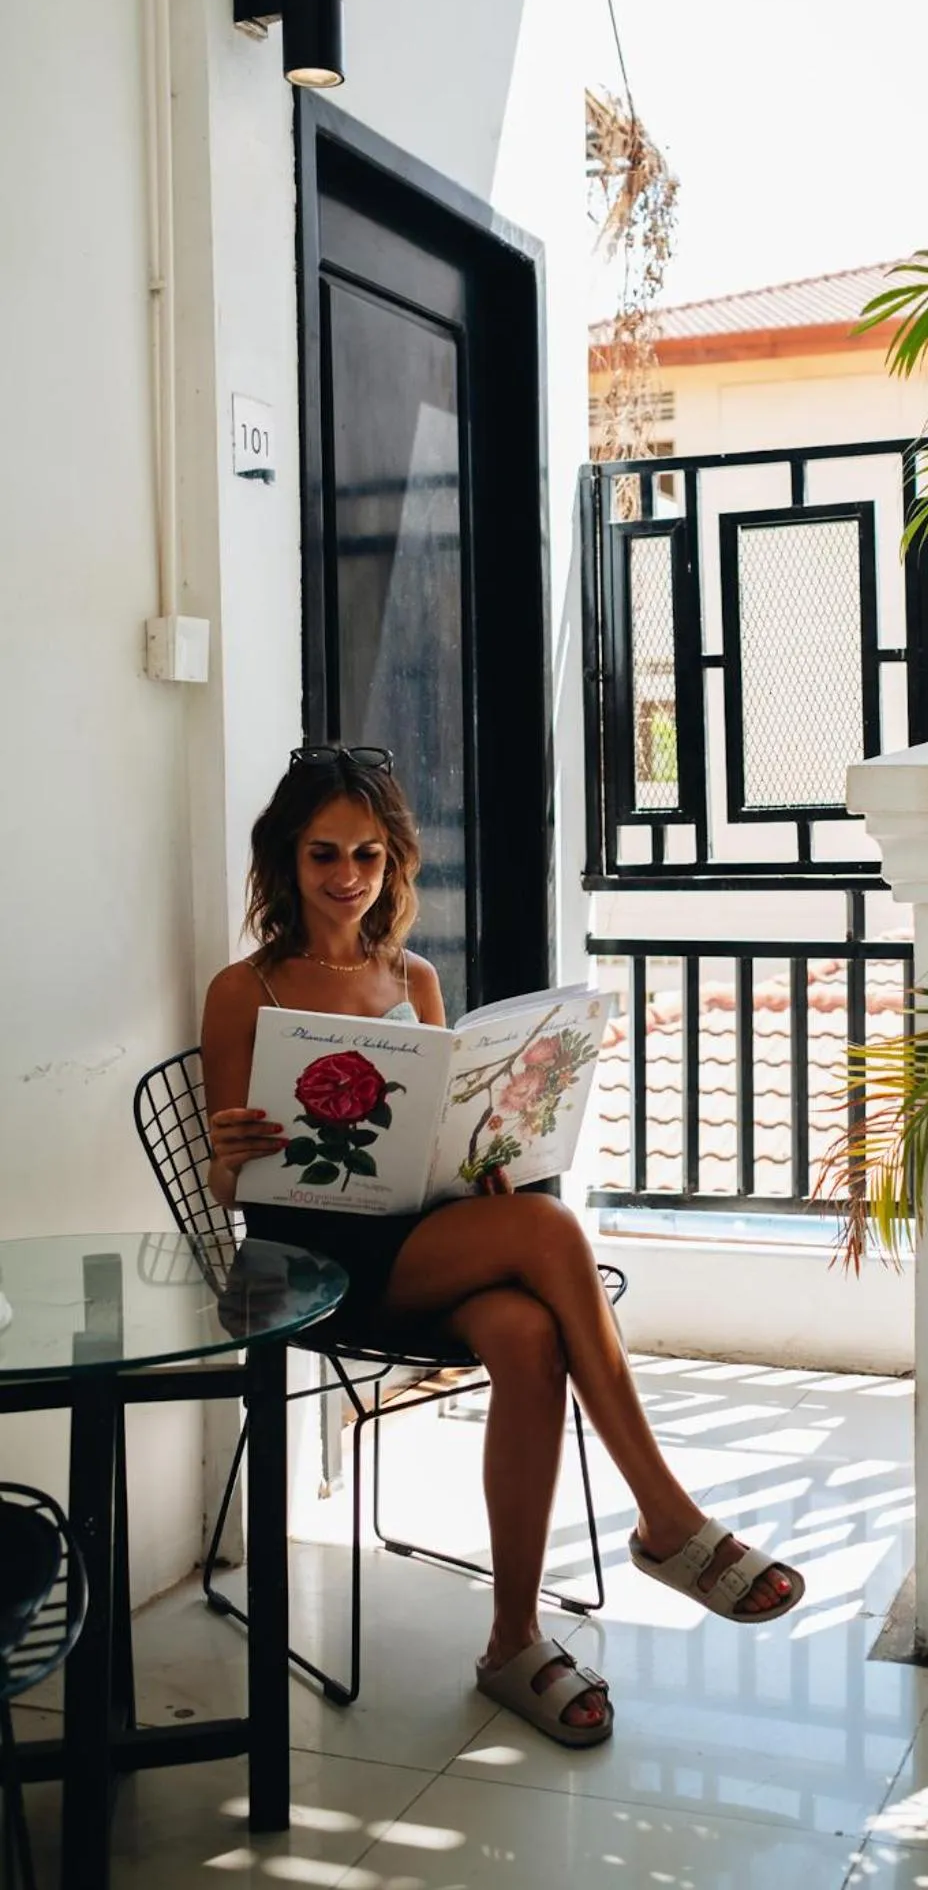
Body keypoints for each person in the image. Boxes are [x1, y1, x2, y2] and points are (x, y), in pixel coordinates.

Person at [201, 745, 805, 1749]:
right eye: (323, 854)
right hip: (313, 1265)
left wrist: (481, 1157)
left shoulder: (415, 978)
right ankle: (667, 1520)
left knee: (528, 1332)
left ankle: (512, 1643)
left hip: (421, 1236)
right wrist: (230, 1151)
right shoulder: (248, 989)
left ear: (394, 860)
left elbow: (437, 1144)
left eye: (367, 853)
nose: (347, 875)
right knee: (550, 1225)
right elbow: (233, 1186)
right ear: (285, 858)